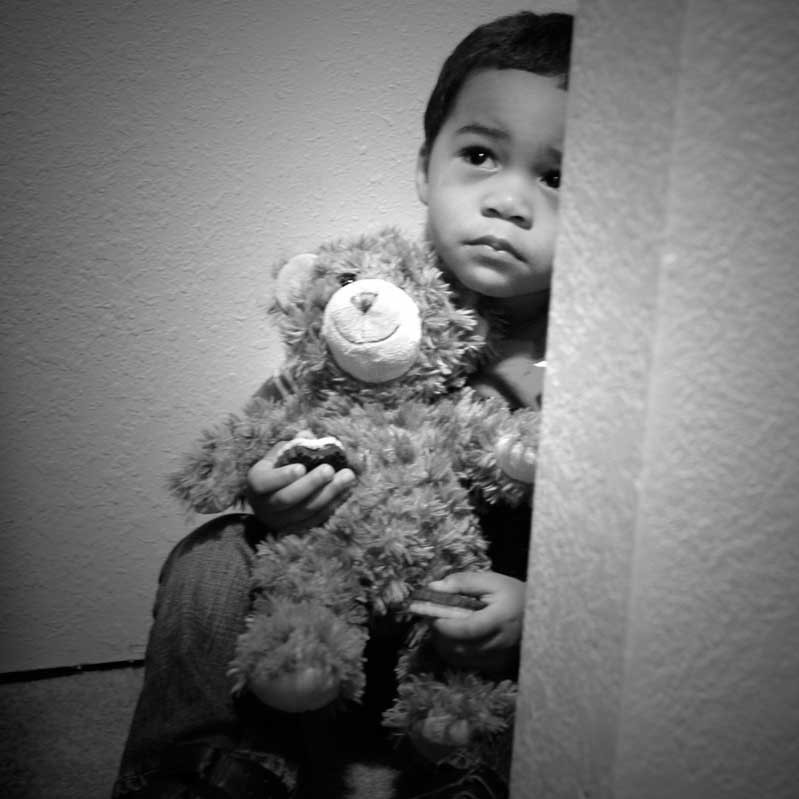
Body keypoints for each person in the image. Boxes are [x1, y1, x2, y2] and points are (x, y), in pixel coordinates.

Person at [112, 10, 572, 799]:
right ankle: (194, 763)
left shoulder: (595, 355)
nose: (508, 200)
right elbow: (279, 419)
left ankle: (469, 771)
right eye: (479, 155)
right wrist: (266, 494)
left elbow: (612, 551)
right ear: (425, 168)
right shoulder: (370, 299)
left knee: (562, 625)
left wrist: (546, 610)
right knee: (209, 555)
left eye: (556, 176)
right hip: (324, 617)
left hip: (458, 643)